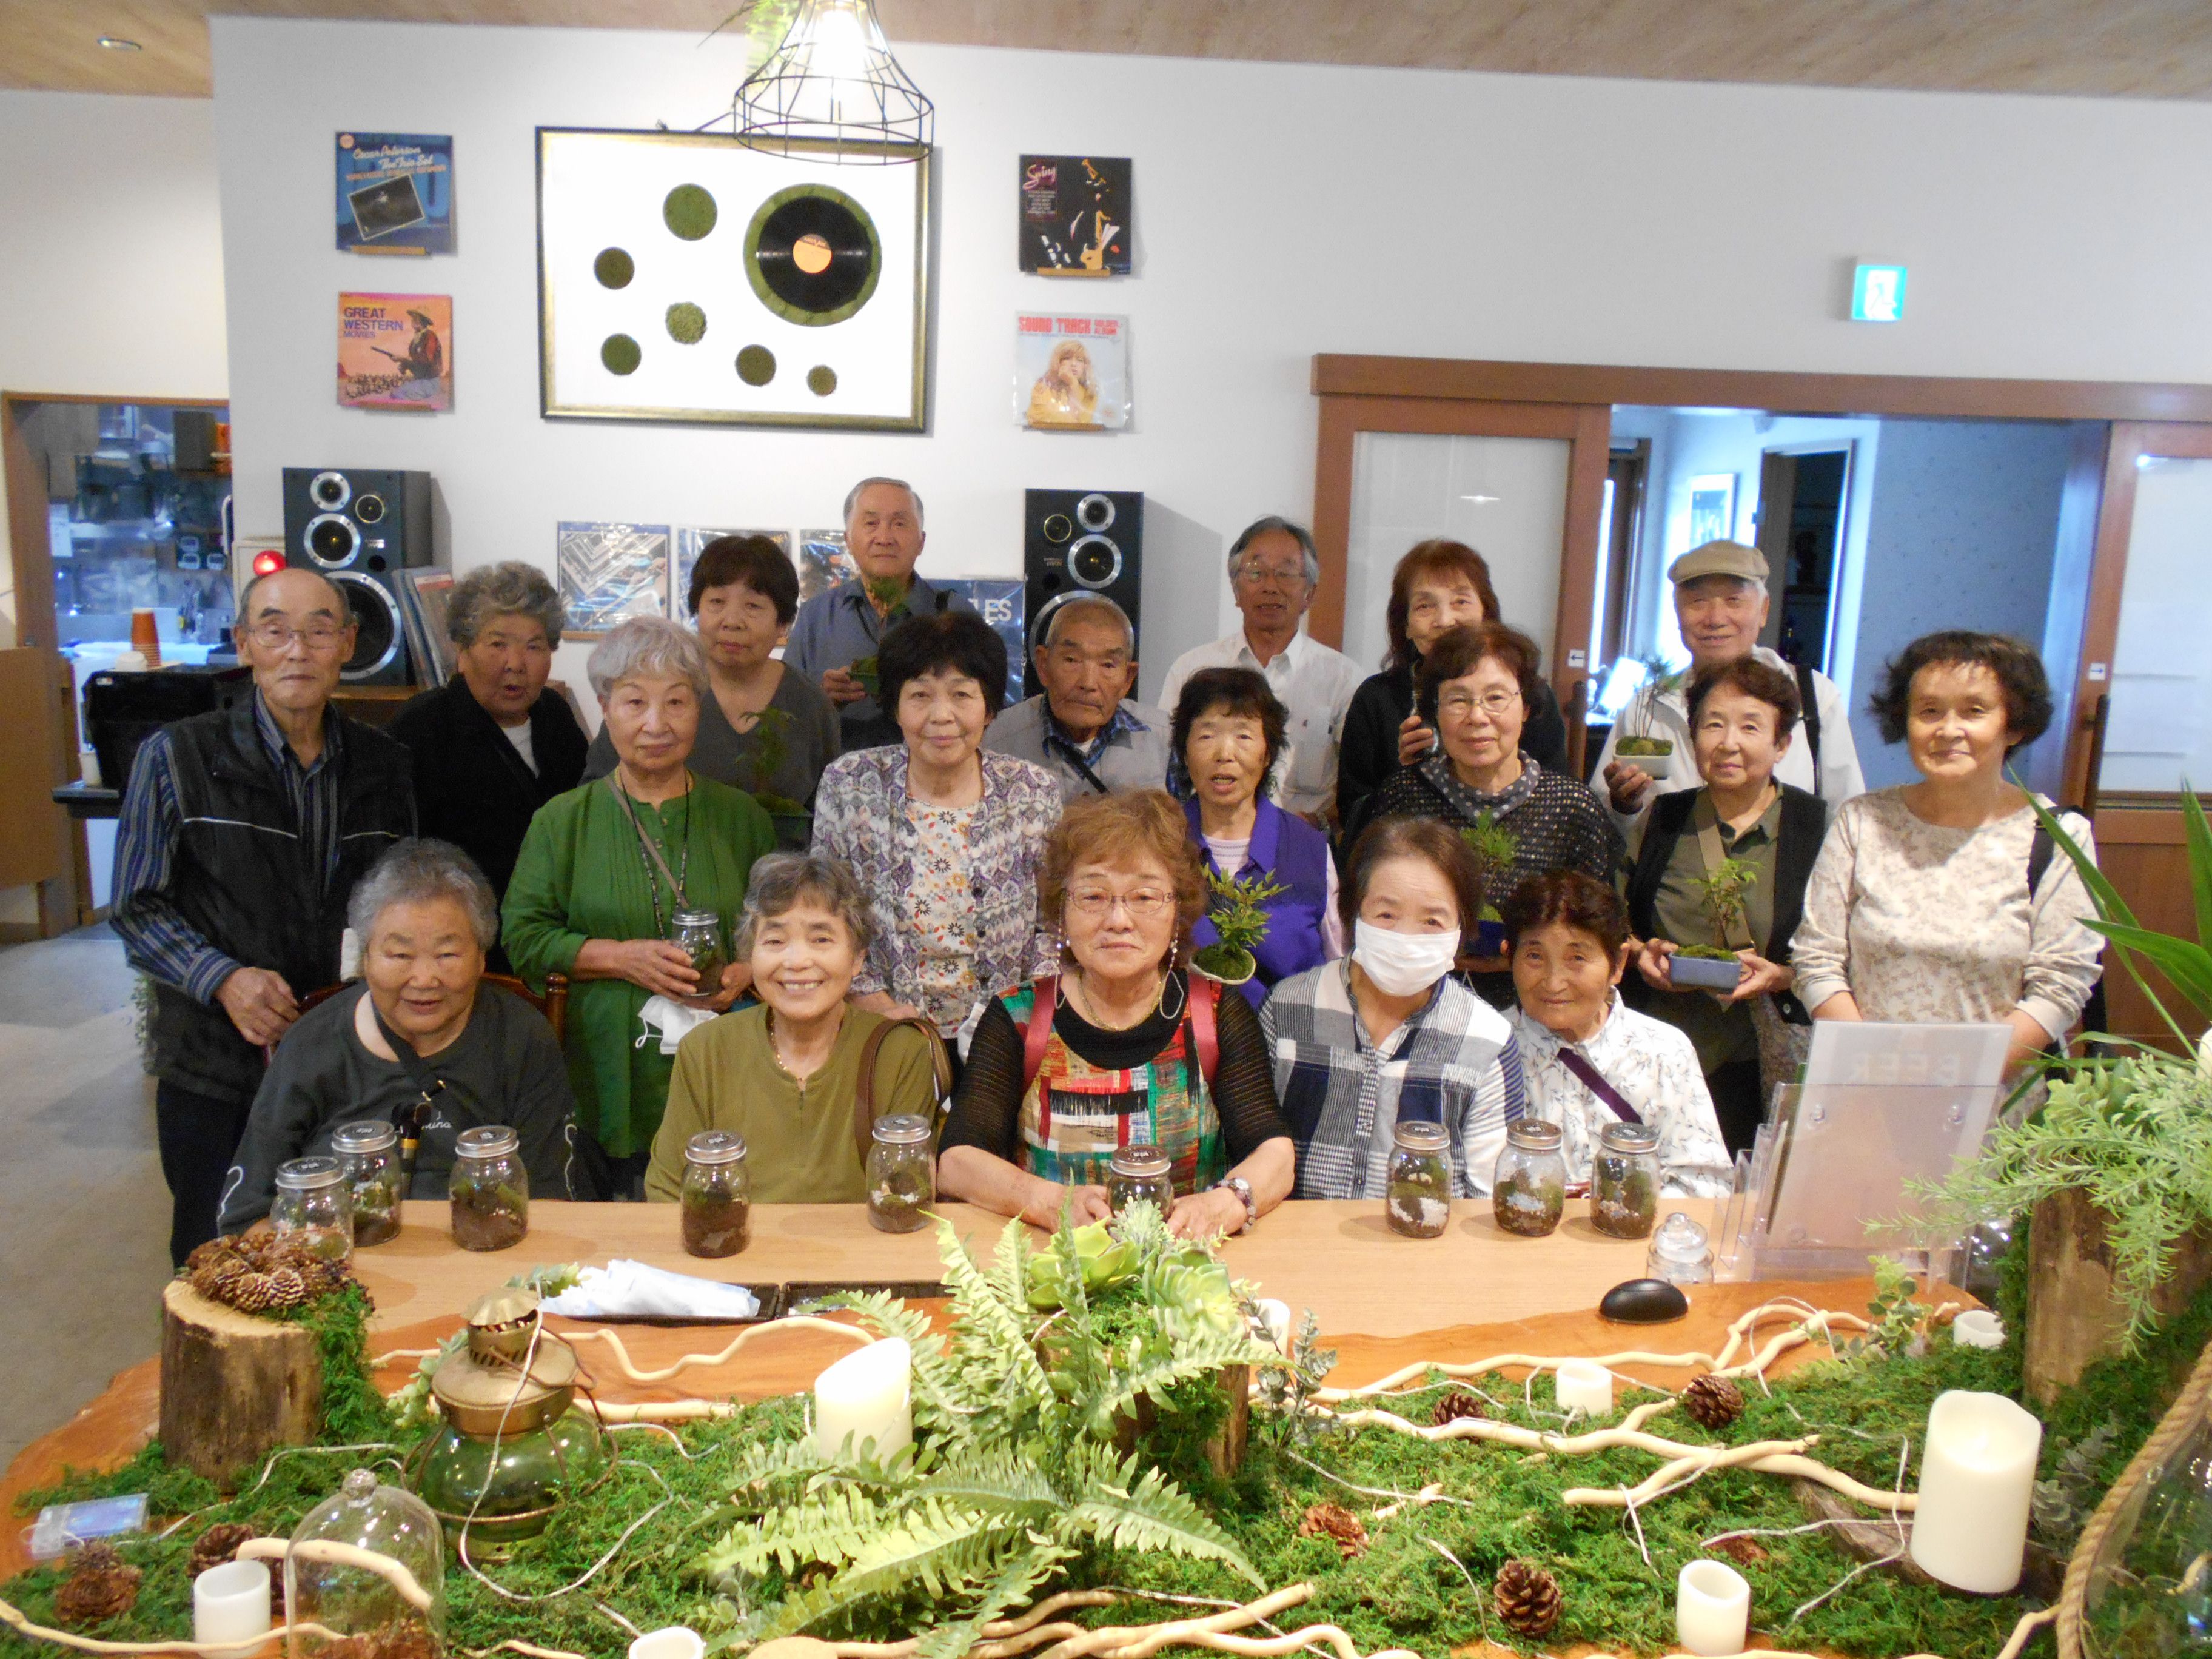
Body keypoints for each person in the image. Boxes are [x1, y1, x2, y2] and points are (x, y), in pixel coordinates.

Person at [113, 566, 416, 1265]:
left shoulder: (385, 764)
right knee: (217, 1253)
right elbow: (136, 907)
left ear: (347, 643)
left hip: (346, 1061)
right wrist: (223, 979)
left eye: (318, 630)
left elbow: (399, 904)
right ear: (245, 643)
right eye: (276, 629)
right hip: (216, 1063)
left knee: (351, 1252)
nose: (297, 649)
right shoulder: (178, 757)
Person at [938, 790, 1295, 1238]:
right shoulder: (1020, 1017)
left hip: (1186, 1272)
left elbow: (1275, 1153)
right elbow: (956, 1162)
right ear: (1062, 912)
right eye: (1093, 895)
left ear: (1176, 912)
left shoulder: (1217, 1013)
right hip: (1052, 1267)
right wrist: (1048, 1203)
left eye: (1144, 896)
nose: (1118, 919)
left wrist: (1224, 1204)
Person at [503, 617, 776, 1198]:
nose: (657, 724)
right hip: (602, 1064)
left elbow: (777, 927)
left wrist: (749, 968)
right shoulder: (562, 821)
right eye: (635, 702)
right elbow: (522, 937)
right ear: (605, 707)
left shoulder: (742, 817)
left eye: (676, 702)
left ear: (698, 709)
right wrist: (620, 958)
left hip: (725, 1054)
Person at [1790, 631, 2103, 1083]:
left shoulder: (2057, 836)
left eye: (1974, 711)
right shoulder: (1862, 820)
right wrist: (1873, 1069)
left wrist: (1952, 1082)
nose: (1947, 730)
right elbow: (1816, 958)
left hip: (1994, 1103)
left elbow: (2061, 984)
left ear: (2013, 725)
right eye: (1929, 711)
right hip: (1863, 1088)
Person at [218, 839, 579, 1231]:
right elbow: (245, 1215)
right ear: (365, 959)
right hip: (339, 1269)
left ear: (480, 958)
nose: (424, 979)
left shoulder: (522, 1037)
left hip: (485, 1263)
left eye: (447, 955)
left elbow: (551, 1204)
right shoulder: (311, 1043)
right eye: (400, 955)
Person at [810, 610, 1061, 1044]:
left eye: (962, 695)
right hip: (879, 1030)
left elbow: (1054, 923)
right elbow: (824, 911)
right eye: (920, 695)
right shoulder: (849, 785)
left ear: (989, 708)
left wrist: (1023, 1014)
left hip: (1008, 1036)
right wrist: (872, 1002)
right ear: (895, 706)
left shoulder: (1033, 792)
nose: (941, 716)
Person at [645, 854, 947, 1205]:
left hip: (861, 1253)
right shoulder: (706, 1049)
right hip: (732, 1248)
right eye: (775, 941)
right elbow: (666, 1192)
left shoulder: (900, 1051)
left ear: (858, 958)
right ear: (750, 954)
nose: (798, 962)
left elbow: (908, 1199)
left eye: (821, 940)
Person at [1623, 658, 1828, 1153]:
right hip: (1662, 1049)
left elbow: (1845, 949)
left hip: (1765, 1057)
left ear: (1782, 744)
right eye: (1713, 725)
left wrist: (1781, 976)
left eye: (1751, 727)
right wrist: (1638, 953)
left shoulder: (1815, 827)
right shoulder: (1663, 819)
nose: (1728, 742)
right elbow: (1610, 920)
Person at [1262, 817, 1524, 1201]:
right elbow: (1250, 1155)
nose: (1406, 937)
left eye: (1432, 921)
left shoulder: (1487, 1040)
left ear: (1462, 928)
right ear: (1352, 912)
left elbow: (1490, 1199)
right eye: (1386, 915)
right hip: (1298, 1252)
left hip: (1428, 1252)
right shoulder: (1286, 1010)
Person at [1364, 621, 1623, 1005]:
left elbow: (1599, 929)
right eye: (1457, 699)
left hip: (1536, 1007)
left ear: (1527, 708)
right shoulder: (1404, 797)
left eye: (1496, 697)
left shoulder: (1571, 805)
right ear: (1435, 711)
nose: (1477, 717)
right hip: (1416, 998)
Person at [587, 535, 839, 848]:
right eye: (717, 602)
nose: (732, 622)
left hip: (783, 886)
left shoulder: (811, 706)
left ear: (783, 623)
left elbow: (832, 815)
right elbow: (597, 792)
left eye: (753, 606)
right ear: (697, 610)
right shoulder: (658, 695)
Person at [1595, 540, 1863, 828]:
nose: (1715, 619)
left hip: (1788, 871)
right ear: (1677, 613)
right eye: (1698, 602)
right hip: (1675, 871)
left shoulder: (1812, 695)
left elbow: (1846, 813)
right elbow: (1606, 818)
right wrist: (1624, 805)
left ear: (1763, 610)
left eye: (1734, 601)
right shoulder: (1647, 706)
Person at [1503, 870, 1732, 1198]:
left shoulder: (1665, 1051)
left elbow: (1706, 1184)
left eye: (1577, 958)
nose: (1554, 982)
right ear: (1509, 957)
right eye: (1535, 956)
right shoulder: (1490, 1049)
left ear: (1619, 962)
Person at [390, 561, 589, 936]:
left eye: (534, 647)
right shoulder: (422, 729)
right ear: (462, 651)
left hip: (556, 931)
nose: (516, 664)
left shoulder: (556, 718)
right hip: (466, 935)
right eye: (497, 644)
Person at [1336, 540, 1572, 842]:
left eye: (1461, 602)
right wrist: (1406, 776)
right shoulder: (1377, 698)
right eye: (1425, 606)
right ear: (1406, 626)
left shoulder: (1524, 692)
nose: (1445, 621)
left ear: (1487, 614)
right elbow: (1353, 817)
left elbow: (1558, 803)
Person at [1156, 517, 1362, 825]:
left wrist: (1310, 825)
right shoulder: (1192, 669)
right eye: (1256, 573)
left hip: (1305, 843)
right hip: (1204, 845)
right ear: (1236, 589)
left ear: (1309, 594)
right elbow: (1163, 766)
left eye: (1286, 573)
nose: (1270, 586)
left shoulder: (1344, 679)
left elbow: (1358, 786)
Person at [1173, 666, 1342, 1007]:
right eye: (1206, 736)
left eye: (1244, 736)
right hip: (1185, 1047)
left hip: (1287, 1046)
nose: (1225, 753)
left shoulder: (1308, 850)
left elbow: (1339, 966)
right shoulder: (1161, 846)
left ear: (1267, 755)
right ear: (1185, 753)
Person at [783, 478, 983, 752]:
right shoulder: (816, 616)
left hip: (932, 783)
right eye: (871, 523)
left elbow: (988, 711)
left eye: (899, 524)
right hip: (837, 784)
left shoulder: (954, 615)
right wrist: (820, 702)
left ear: (921, 542)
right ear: (848, 540)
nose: (885, 537)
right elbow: (782, 719)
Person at [985, 594, 1170, 803]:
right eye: (1072, 660)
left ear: (1128, 679)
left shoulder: (1166, 740)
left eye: (1108, 665)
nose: (1088, 683)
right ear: (1043, 665)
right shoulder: (995, 741)